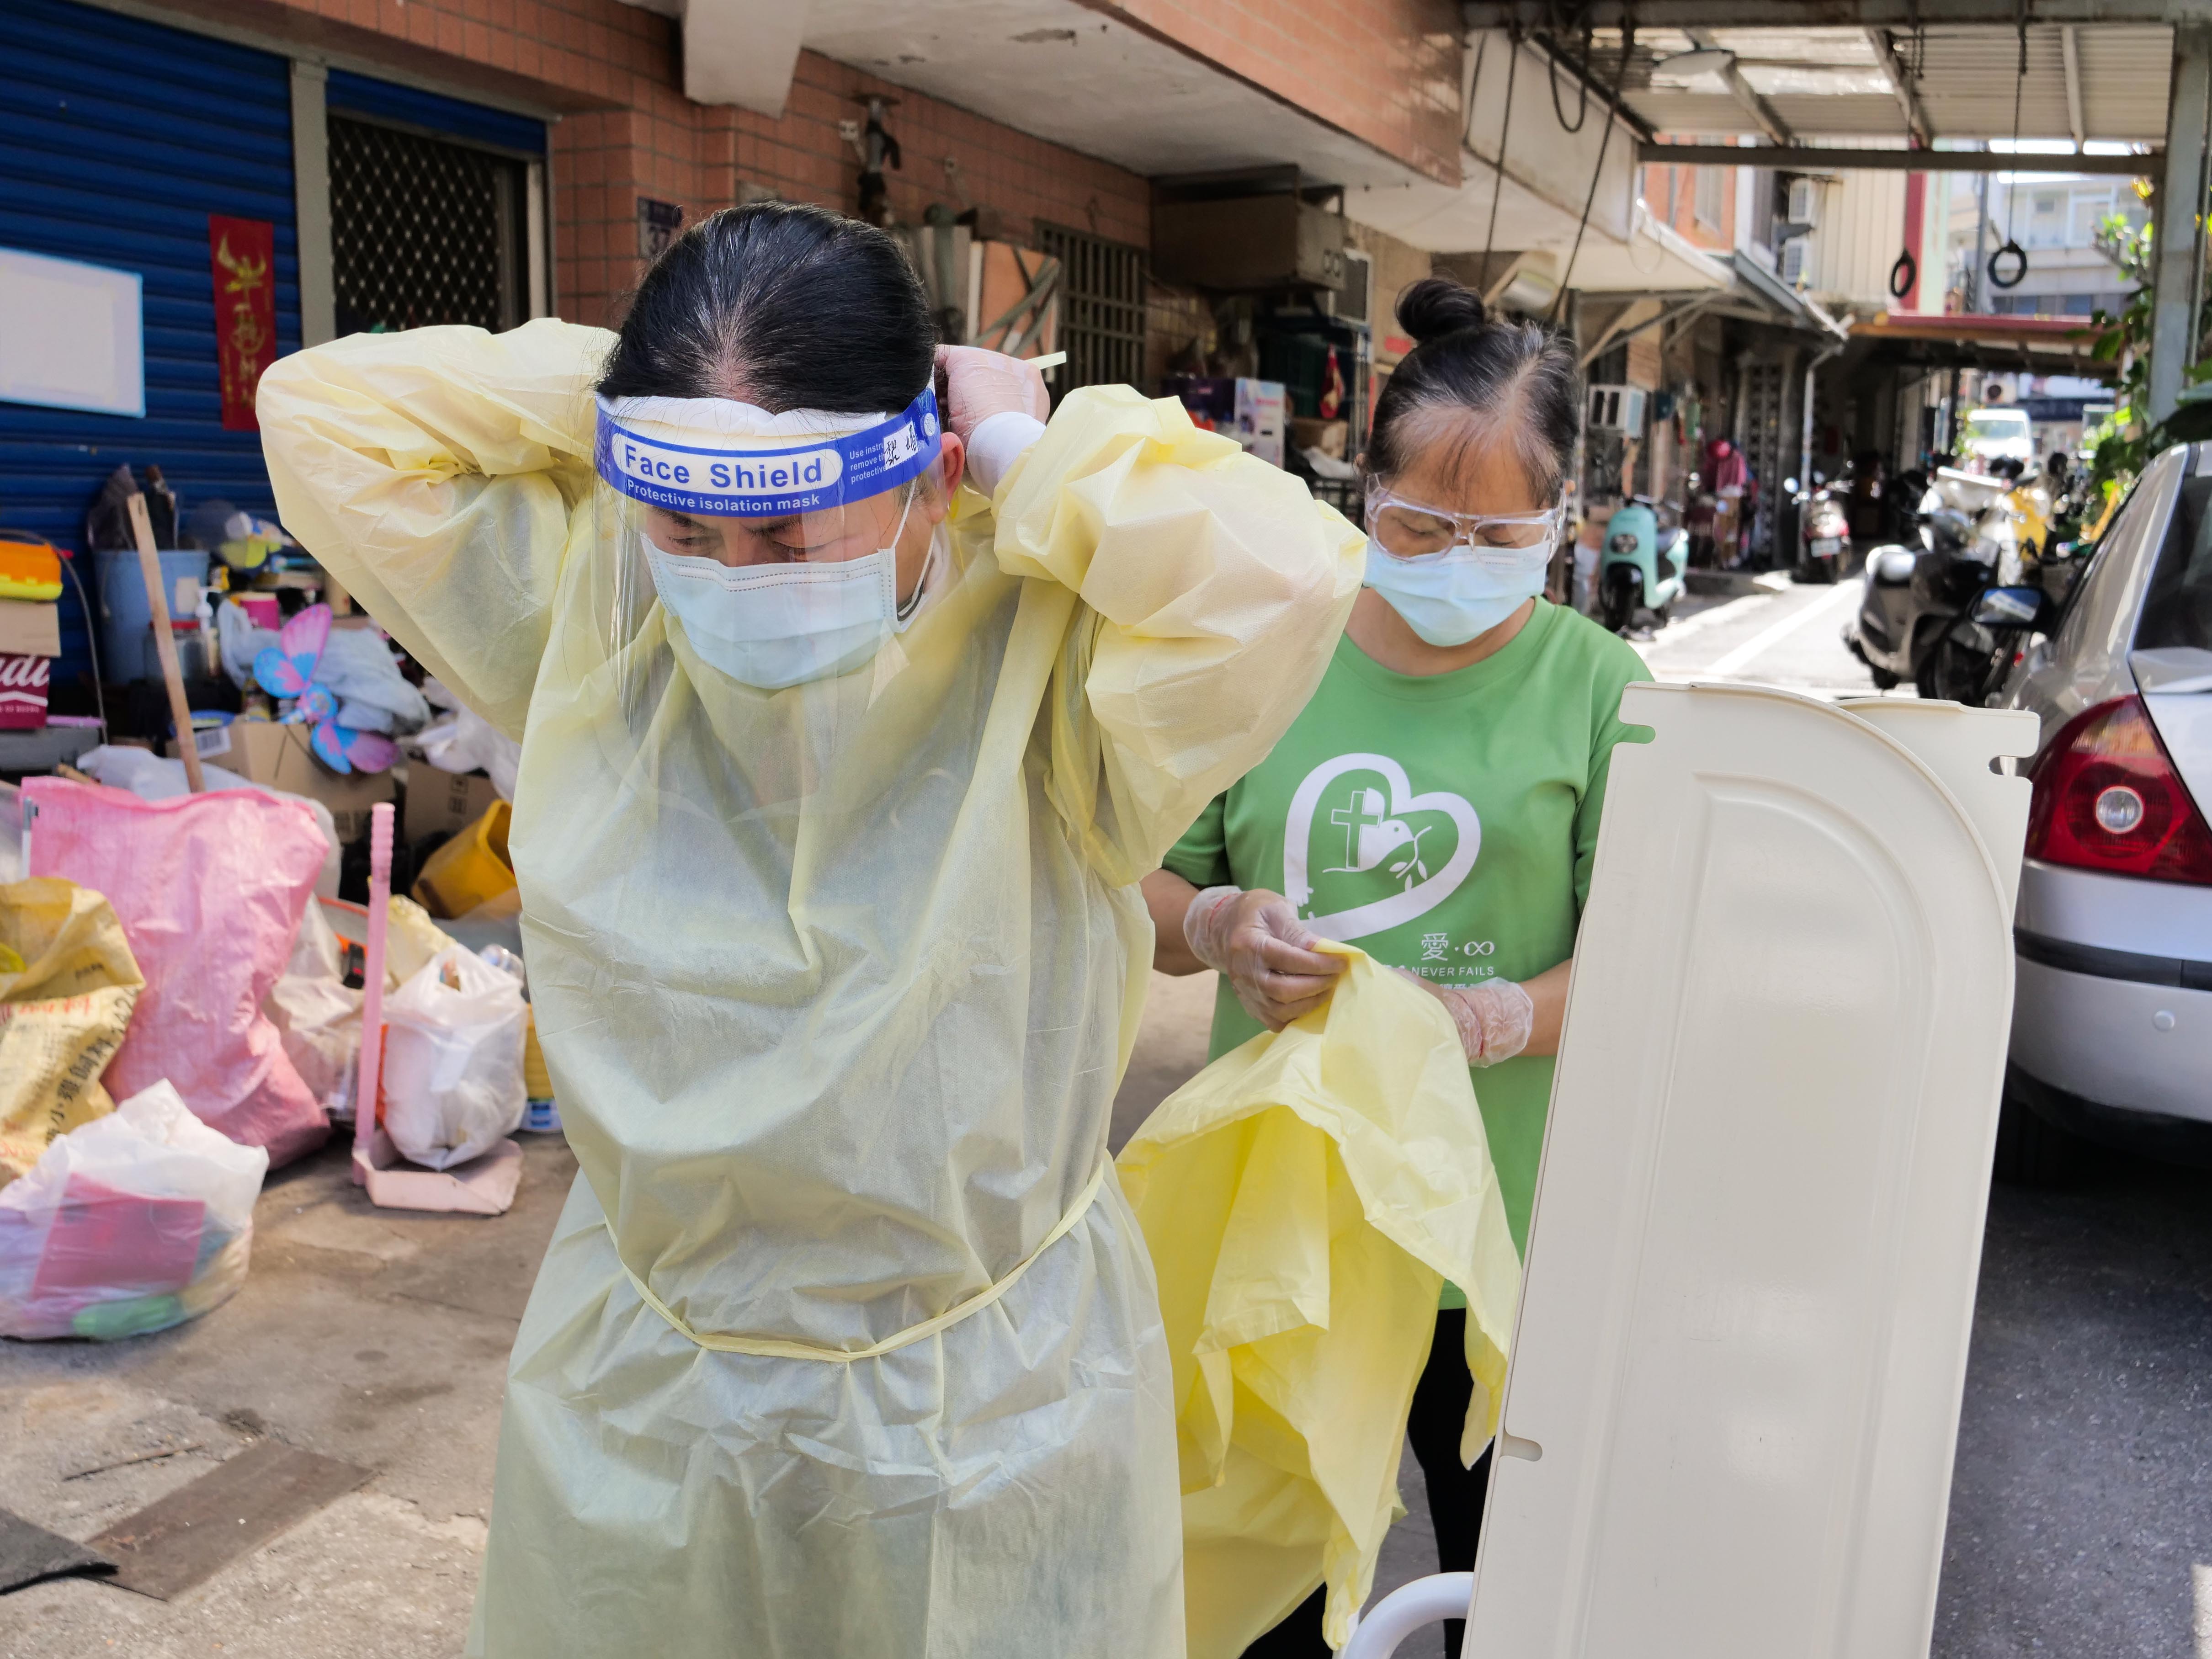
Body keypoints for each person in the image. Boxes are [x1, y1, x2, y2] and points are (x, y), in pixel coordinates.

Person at [258, 202, 1364, 1659]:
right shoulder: (596, 602)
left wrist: (1034, 456)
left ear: (929, 481)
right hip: (651, 1398)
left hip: (983, 1412)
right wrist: (666, 410)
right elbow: (322, 412)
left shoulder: (1053, 642)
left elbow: (1282, 577)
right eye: (688, 523)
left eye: (788, 529)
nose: (731, 574)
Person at [1141, 276, 1650, 1659]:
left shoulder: (1603, 691)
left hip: (1506, 1249)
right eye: (1423, 522)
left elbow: (1651, 966)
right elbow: (1145, 879)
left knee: (1519, 1601)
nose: (1453, 554)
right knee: (1268, 1603)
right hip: (1289, 1241)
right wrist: (1215, 926)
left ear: (1562, 524)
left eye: (1498, 532)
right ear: (1363, 492)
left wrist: (1490, 1017)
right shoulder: (1278, 653)